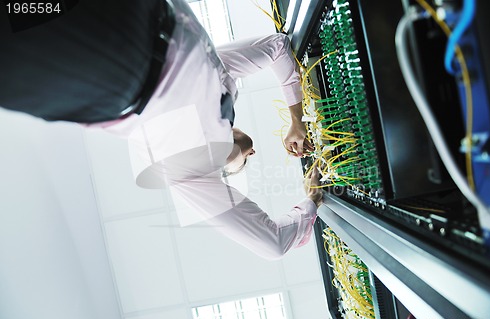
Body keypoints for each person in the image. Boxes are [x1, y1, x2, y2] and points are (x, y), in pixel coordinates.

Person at [0, 0, 322, 259]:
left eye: (246, 163)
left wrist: (311, 202)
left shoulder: (192, 178)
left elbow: (273, 244)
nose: (252, 153)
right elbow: (277, 47)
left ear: (226, 173)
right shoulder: (225, 81)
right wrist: (296, 120)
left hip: (111, 80)